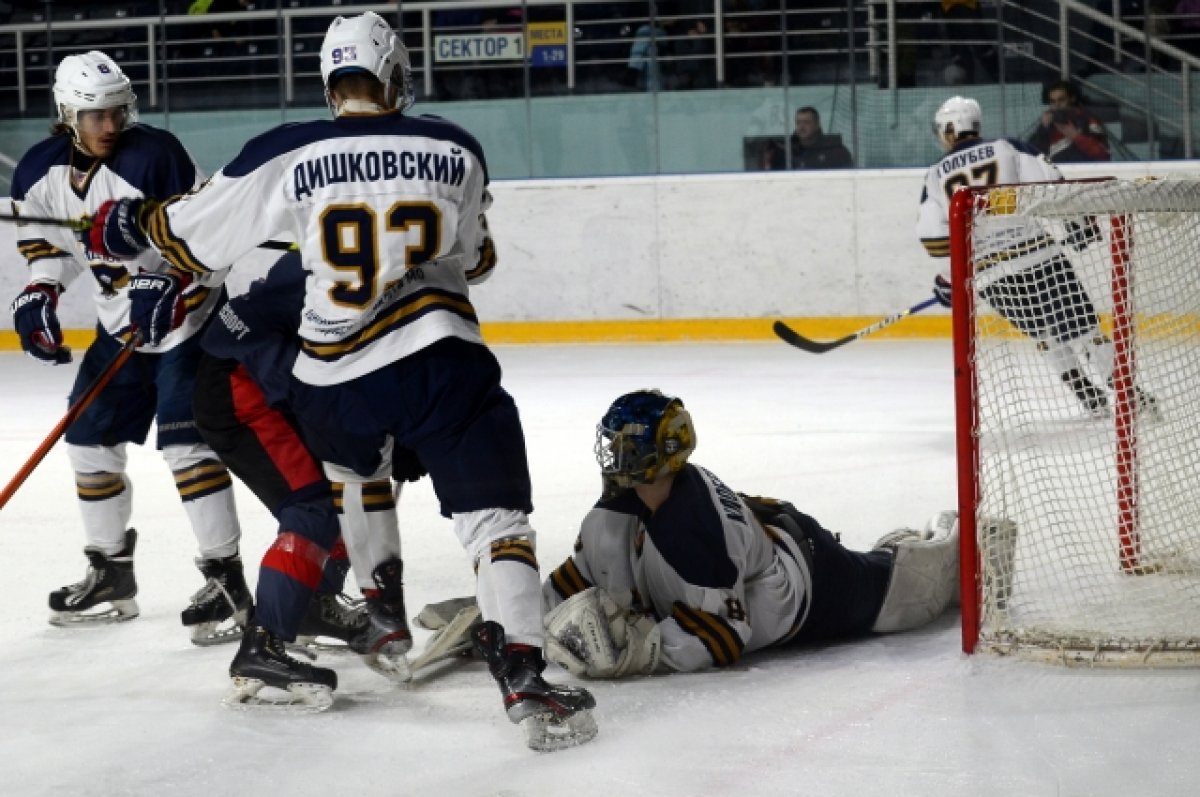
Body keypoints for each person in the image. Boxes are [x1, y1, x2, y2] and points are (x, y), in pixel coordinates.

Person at [83, 12, 596, 751]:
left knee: (358, 474)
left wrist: (129, 225)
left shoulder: (287, 150)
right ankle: (523, 674)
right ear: (395, 75)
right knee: (495, 521)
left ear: (330, 82)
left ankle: (381, 608)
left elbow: (190, 234)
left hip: (333, 374)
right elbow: (475, 257)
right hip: (439, 360)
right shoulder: (454, 145)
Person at [7, 50, 249, 644]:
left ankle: (225, 580)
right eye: (95, 115)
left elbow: (200, 236)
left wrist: (165, 274)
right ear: (67, 114)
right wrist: (41, 291)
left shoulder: (155, 154)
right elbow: (48, 246)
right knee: (87, 443)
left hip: (187, 321)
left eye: (116, 111)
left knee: (187, 448)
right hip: (120, 327)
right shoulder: (39, 170)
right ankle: (110, 571)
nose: (110, 124)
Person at [533, 389, 960, 678]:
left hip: (816, 582)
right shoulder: (619, 509)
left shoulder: (690, 530)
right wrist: (517, 618)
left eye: (629, 447)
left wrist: (646, 651)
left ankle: (964, 544)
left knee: (909, 592)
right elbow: (581, 576)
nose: (615, 456)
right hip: (771, 533)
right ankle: (899, 545)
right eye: (613, 445)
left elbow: (723, 637)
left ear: (664, 454)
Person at [194, 251, 431, 709]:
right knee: (315, 506)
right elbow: (301, 376)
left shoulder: (377, 258)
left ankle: (311, 606)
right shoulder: (328, 266)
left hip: (270, 381)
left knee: (346, 487)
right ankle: (263, 646)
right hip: (242, 386)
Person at [919, 96, 1156, 418]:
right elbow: (1052, 184)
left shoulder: (935, 175)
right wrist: (1076, 224)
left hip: (991, 274)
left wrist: (950, 277)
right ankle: (1131, 397)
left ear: (949, 129)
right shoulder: (1008, 147)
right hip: (1040, 257)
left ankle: (1089, 397)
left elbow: (935, 240)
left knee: (1044, 334)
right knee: (1085, 330)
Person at [1026, 80, 1111, 163]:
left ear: (1072, 98)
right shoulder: (1047, 125)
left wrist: (1076, 136)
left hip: (1085, 172)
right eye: (1053, 101)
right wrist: (1044, 130)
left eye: (1061, 100)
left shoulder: (1089, 119)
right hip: (1058, 173)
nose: (1057, 105)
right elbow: (1032, 156)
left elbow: (1103, 154)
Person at [778, 106, 854, 170]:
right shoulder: (787, 151)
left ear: (817, 124)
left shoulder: (836, 151)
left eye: (806, 122)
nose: (801, 127)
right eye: (798, 123)